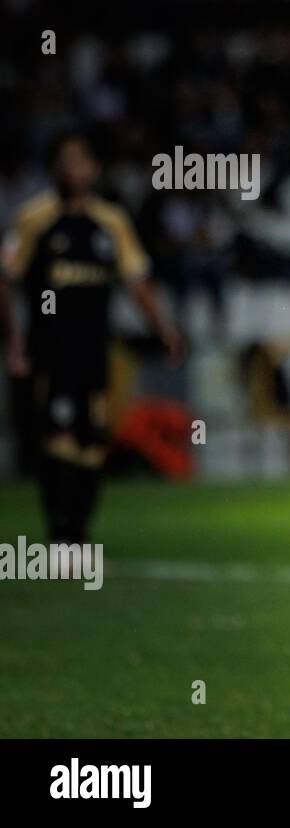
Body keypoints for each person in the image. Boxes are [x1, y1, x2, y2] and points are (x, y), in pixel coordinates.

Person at [2, 130, 184, 545]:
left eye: (79, 161)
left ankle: (79, 532)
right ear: (54, 169)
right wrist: (14, 343)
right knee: (57, 439)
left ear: (93, 168)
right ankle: (59, 533)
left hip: (96, 352)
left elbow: (138, 283)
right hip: (49, 351)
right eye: (64, 161)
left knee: (92, 441)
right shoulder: (33, 219)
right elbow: (7, 280)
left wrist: (165, 331)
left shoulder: (111, 223)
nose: (73, 169)